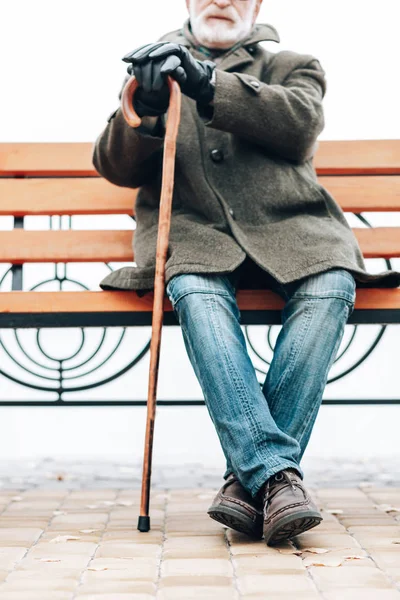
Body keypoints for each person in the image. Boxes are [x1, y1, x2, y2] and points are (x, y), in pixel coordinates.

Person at [92, 0, 400, 546]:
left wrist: (208, 85)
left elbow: (300, 126)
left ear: (256, 5)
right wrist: (143, 106)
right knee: (193, 286)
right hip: (195, 235)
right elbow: (114, 166)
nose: (221, 0)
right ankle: (277, 478)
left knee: (331, 282)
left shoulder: (292, 65)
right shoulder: (152, 69)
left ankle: (248, 481)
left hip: (297, 231)